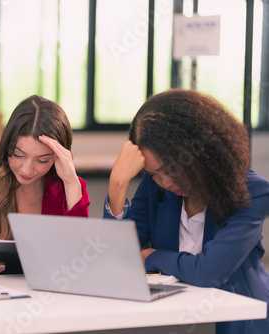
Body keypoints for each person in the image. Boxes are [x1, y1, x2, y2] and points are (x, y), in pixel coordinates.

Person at [105, 89, 269, 333]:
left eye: (171, 170)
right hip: (174, 319)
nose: (166, 183)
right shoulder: (155, 185)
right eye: (154, 174)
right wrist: (117, 184)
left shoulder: (252, 192)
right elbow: (116, 257)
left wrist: (151, 255)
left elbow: (209, 273)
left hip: (239, 322)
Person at [0, 95, 91, 276]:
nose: (27, 169)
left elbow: (80, 264)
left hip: (49, 300)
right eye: (18, 155)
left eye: (42, 160)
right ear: (6, 147)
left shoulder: (70, 189)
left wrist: (71, 183)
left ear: (58, 157)